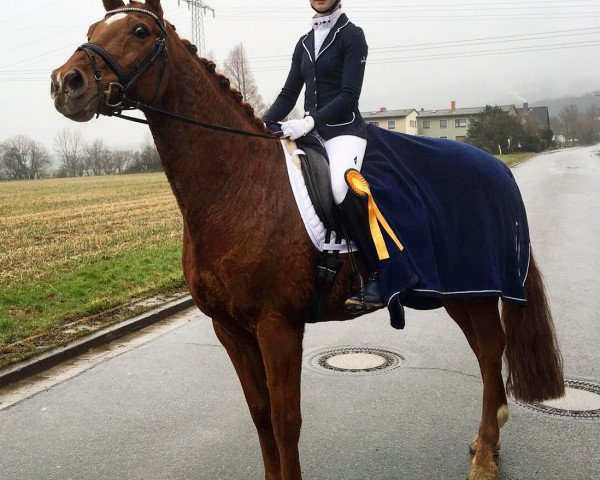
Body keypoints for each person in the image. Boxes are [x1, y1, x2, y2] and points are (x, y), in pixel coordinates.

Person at [263, 0, 382, 309]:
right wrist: (262, 124)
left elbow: (348, 96)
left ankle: (376, 272)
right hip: (311, 133)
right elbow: (289, 93)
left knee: (343, 188)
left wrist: (308, 121)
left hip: (343, 132)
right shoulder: (304, 42)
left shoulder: (352, 35)